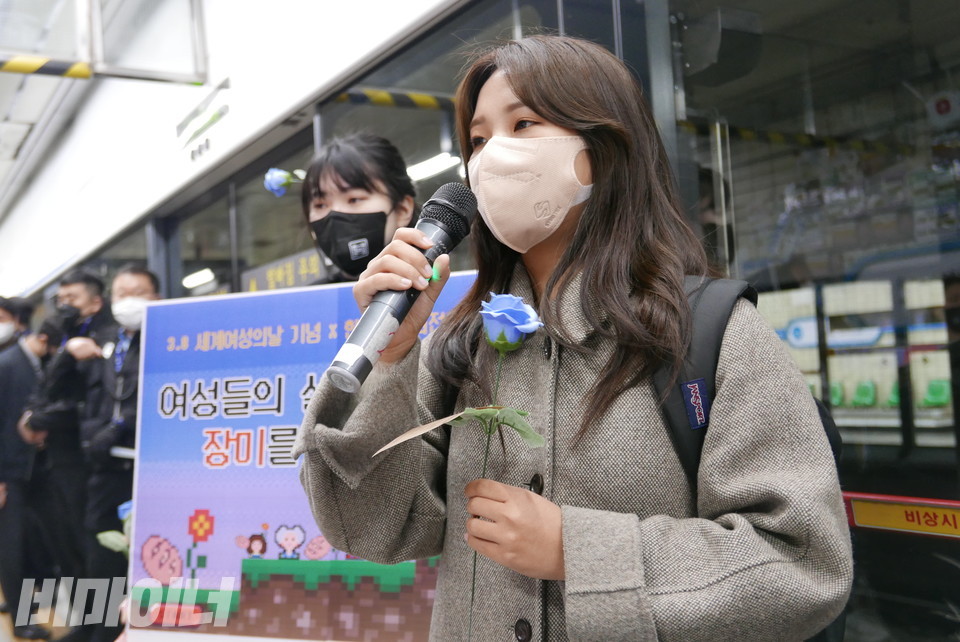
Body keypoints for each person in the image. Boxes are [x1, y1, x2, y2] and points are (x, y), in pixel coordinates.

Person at [294, 35, 852, 641]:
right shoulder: (462, 345)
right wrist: (393, 353)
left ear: (601, 149)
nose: (491, 156)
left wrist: (578, 551)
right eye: (478, 140)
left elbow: (802, 563)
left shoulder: (710, 335)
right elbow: (373, 528)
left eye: (524, 123)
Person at [60, 265, 161, 642]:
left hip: (146, 466)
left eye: (138, 292)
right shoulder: (104, 341)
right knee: (99, 549)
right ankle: (95, 628)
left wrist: (119, 426)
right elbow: (81, 396)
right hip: (105, 464)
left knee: (145, 555)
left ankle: (132, 628)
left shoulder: (170, 339)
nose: (128, 300)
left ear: (157, 298)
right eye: (121, 293)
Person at [0, 319, 63, 640]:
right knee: (14, 549)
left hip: (35, 470)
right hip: (9, 474)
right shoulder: (8, 364)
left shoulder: (29, 362)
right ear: (42, 340)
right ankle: (22, 620)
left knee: (46, 542)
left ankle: (47, 603)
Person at [300, 133, 417, 283]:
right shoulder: (311, 300)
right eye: (320, 205)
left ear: (402, 210)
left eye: (354, 199)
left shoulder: (439, 289)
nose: (335, 214)